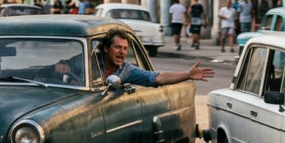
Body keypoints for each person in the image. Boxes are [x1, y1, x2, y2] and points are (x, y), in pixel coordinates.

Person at [60, 28, 214, 87]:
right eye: (118, 47)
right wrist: (59, 69)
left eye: (125, 48)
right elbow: (58, 67)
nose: (122, 52)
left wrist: (188, 75)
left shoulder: (127, 70)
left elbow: (157, 78)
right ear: (106, 48)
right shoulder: (86, 60)